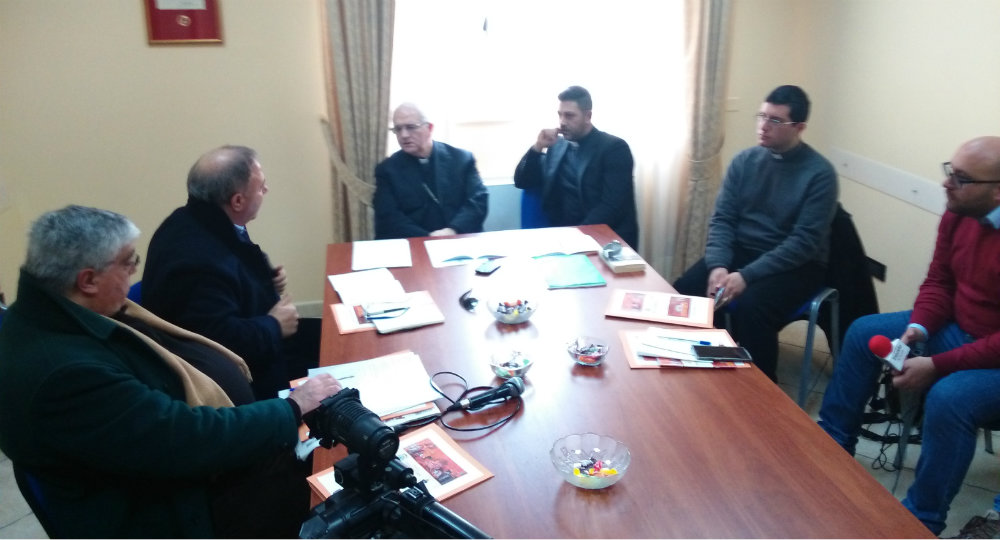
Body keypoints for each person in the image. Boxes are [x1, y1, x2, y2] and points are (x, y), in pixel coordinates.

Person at [0, 205, 343, 538]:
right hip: (171, 509)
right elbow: (188, 437)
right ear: (88, 280)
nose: (135, 270)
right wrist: (292, 408)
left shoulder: (51, 310)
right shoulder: (66, 375)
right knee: (337, 490)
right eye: (128, 262)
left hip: (176, 465)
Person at [818, 136, 1000, 536]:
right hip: (957, 330)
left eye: (963, 178)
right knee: (864, 331)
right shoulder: (959, 212)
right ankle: (830, 449)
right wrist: (917, 330)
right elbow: (939, 282)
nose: (947, 184)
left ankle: (920, 521)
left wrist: (937, 365)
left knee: (950, 398)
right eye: (949, 171)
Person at [672, 85, 838, 382]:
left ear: (799, 127)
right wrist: (719, 265)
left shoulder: (819, 174)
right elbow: (723, 219)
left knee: (752, 308)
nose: (763, 126)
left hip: (797, 265)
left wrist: (746, 276)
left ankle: (760, 394)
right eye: (761, 116)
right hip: (742, 252)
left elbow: (803, 244)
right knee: (687, 287)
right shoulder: (744, 162)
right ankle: (706, 368)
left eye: (775, 120)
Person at [143, 145, 318, 400]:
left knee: (335, 338)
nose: (266, 191)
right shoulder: (196, 258)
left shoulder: (198, 218)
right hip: (240, 381)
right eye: (261, 187)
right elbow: (215, 342)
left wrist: (266, 282)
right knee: (341, 360)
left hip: (258, 333)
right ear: (237, 201)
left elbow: (232, 274)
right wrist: (274, 325)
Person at [513, 85, 639, 248]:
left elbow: (611, 207)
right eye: (560, 115)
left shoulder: (614, 149)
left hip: (605, 238)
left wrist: (577, 237)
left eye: (569, 116)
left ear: (588, 116)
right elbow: (522, 181)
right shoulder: (557, 146)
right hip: (563, 235)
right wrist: (537, 147)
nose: (562, 122)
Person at [373, 103, 489, 239]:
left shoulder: (462, 160)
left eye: (411, 127)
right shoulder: (387, 170)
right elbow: (388, 216)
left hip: (459, 238)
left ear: (429, 128)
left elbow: (478, 201)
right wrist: (429, 238)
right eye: (398, 129)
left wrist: (453, 230)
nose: (404, 135)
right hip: (412, 243)